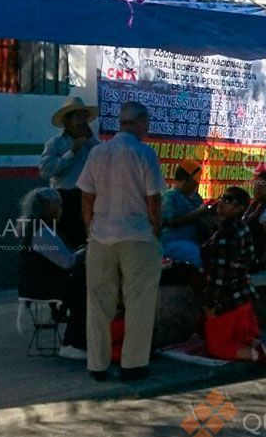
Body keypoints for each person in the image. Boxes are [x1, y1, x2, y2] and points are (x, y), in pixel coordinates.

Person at [77, 101, 165, 382]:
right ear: (140, 122)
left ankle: (97, 364)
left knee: (98, 301)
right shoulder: (145, 154)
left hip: (101, 236)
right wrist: (156, 230)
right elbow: (154, 200)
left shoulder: (98, 153)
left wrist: (90, 227)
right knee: (139, 301)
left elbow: (86, 196)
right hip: (138, 235)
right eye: (147, 123)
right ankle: (133, 364)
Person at [201, 186, 266, 373]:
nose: (221, 202)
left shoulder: (227, 235)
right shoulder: (241, 227)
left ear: (240, 208)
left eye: (228, 200)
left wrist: (212, 303)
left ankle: (260, 356)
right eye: (222, 197)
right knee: (241, 337)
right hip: (243, 296)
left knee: (218, 346)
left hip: (227, 300)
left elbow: (221, 274)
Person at [16, 187, 87, 360]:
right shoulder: (41, 232)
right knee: (86, 293)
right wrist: (86, 251)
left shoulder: (34, 227)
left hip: (38, 282)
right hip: (44, 285)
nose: (60, 208)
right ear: (47, 207)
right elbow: (67, 261)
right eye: (57, 204)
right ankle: (73, 344)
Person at [39, 97, 99, 250]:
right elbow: (45, 170)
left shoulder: (92, 144)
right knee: (65, 242)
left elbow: (106, 161)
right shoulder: (55, 143)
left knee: (88, 243)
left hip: (88, 199)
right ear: (68, 121)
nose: (83, 120)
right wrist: (71, 153)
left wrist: (91, 139)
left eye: (84, 116)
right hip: (63, 200)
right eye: (78, 116)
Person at [161, 158, 210, 267]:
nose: (197, 184)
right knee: (198, 255)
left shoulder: (196, 197)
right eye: (195, 181)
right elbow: (173, 221)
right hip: (173, 242)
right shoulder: (169, 197)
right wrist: (199, 212)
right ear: (185, 179)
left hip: (196, 241)